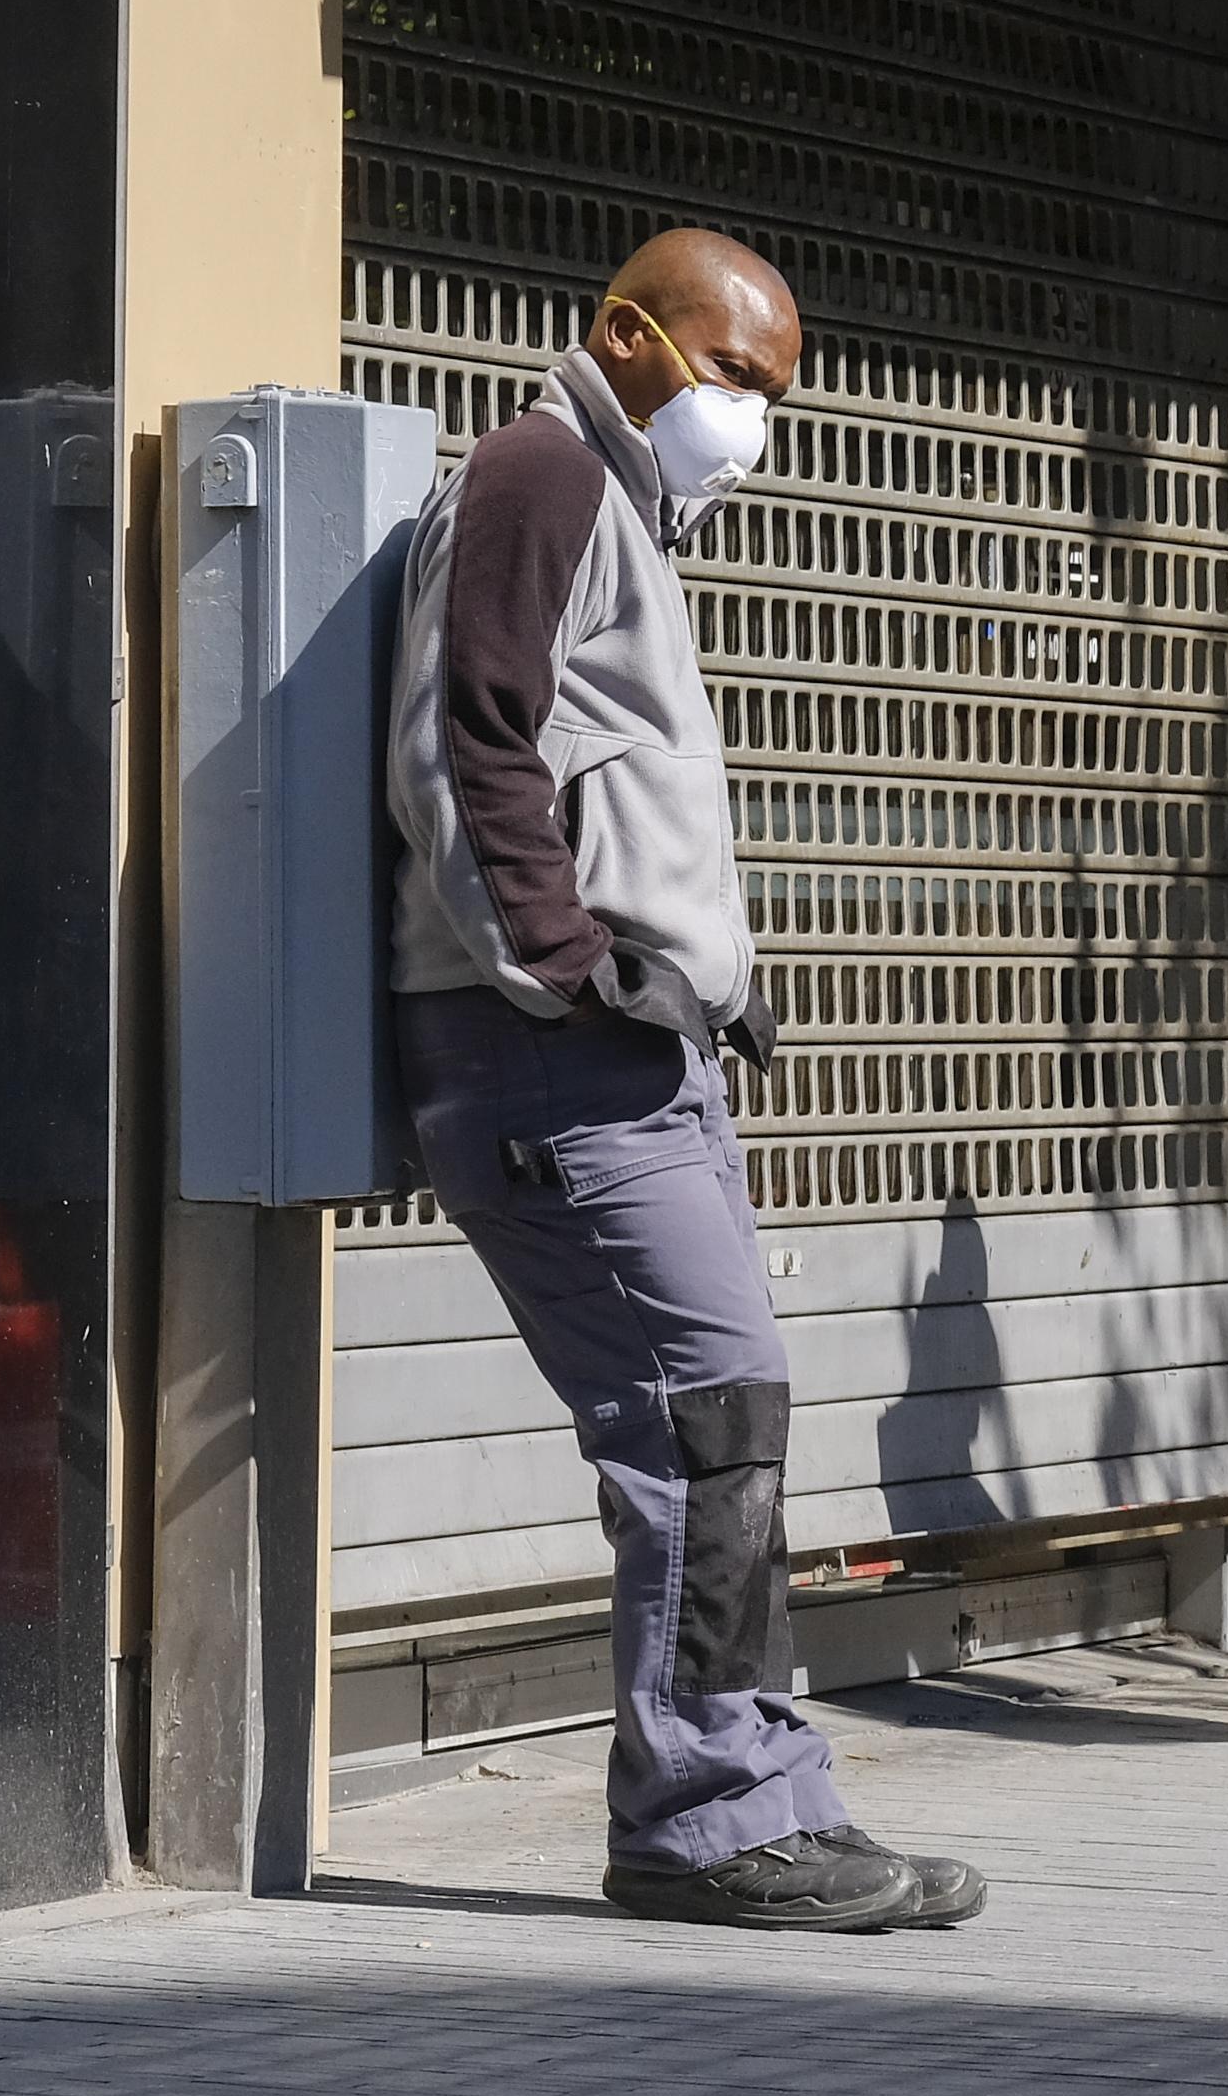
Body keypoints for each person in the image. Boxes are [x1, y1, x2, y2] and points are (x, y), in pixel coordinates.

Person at [384, 230, 983, 1932]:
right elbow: (466, 743)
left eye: (774, 390)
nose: (751, 417)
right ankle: (712, 1820)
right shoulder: (542, 473)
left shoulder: (621, 513)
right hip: (549, 1050)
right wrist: (574, 969)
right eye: (732, 374)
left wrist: (707, 985)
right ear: (626, 334)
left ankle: (748, 1796)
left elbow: (605, 780)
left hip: (627, 1052)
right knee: (699, 1423)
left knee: (723, 1422)